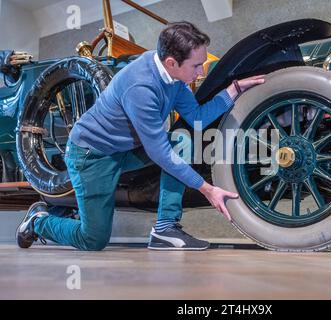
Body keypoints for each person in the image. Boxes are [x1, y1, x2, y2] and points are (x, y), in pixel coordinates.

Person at [16, 21, 265, 251]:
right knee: (93, 239)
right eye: (196, 66)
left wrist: (233, 90)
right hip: (91, 155)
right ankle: (38, 222)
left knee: (182, 141)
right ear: (171, 62)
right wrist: (208, 189)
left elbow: (197, 119)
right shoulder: (141, 87)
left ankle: (166, 229)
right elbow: (160, 153)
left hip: (125, 148)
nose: (200, 72)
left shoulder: (174, 79)